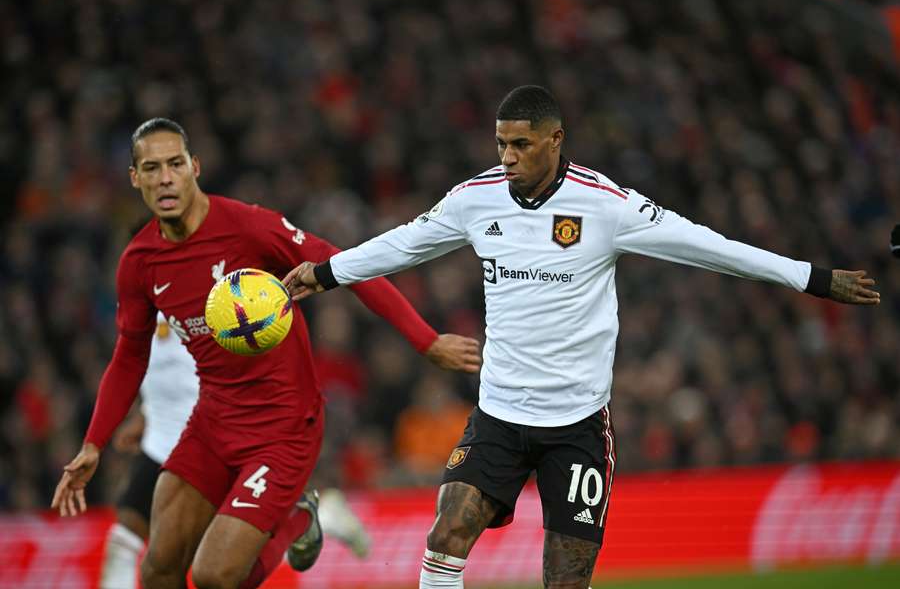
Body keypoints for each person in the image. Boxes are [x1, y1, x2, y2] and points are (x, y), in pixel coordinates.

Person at [282, 85, 881, 589]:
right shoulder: (474, 200)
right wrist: (325, 273)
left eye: (520, 144)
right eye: (501, 144)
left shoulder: (606, 206)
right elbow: (403, 243)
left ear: (555, 140)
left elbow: (708, 247)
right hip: (499, 414)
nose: (508, 157)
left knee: (565, 579)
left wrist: (813, 278)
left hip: (576, 425)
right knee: (446, 534)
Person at [51, 117, 482, 589]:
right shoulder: (138, 262)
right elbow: (130, 354)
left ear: (194, 167)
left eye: (175, 164)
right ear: (135, 178)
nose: (165, 177)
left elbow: (347, 266)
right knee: (158, 570)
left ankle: (299, 521)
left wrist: (427, 340)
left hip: (283, 429)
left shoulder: (247, 228)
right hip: (212, 423)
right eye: (151, 168)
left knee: (213, 575)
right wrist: (94, 442)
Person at [99, 313, 372, 589]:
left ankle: (307, 517)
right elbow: (149, 356)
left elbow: (214, 362)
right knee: (147, 544)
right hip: (166, 436)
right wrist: (147, 413)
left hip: (204, 434)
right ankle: (317, 513)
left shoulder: (207, 288)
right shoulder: (145, 283)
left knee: (208, 565)